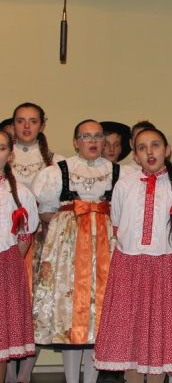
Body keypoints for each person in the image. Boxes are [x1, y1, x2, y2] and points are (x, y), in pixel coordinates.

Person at [92, 128, 172, 382]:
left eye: (155, 145)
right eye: (142, 147)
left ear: (167, 150)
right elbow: (118, 225)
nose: (149, 152)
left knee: (159, 336)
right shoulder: (124, 185)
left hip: (165, 268)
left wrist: (168, 260)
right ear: (135, 155)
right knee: (131, 336)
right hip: (129, 267)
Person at [31, 120, 122, 383]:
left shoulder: (118, 172)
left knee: (99, 315)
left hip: (105, 247)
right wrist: (71, 225)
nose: (92, 141)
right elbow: (45, 211)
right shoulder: (58, 172)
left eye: (98, 136)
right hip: (69, 250)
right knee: (71, 313)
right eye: (85, 136)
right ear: (75, 141)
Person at [7, 103, 63, 383]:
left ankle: (25, 374)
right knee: (9, 305)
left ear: (42, 124)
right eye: (20, 121)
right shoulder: (3, 154)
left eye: (32, 121)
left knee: (38, 305)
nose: (26, 126)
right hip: (8, 241)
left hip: (43, 240)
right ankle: (7, 370)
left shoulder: (55, 161)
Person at [0, 130, 38, 382]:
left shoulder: (20, 193)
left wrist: (8, 262)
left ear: (10, 155)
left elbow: (25, 235)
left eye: (1, 148)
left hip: (5, 268)